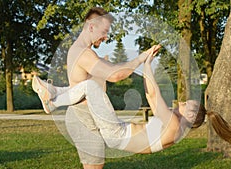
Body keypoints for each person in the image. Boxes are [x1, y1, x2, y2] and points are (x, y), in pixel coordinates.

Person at [33, 46, 231, 155]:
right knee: (88, 90)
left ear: (191, 116)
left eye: (186, 105)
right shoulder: (176, 129)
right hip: (117, 133)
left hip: (117, 134)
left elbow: (153, 95)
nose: (181, 103)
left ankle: (52, 99)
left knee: (91, 87)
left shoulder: (173, 125)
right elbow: (152, 96)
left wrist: (148, 64)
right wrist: (145, 65)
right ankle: (53, 94)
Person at [33, 7, 162, 169]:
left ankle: (54, 94)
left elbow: (115, 67)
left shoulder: (85, 52)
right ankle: (53, 99)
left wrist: (142, 56)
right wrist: (141, 59)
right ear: (91, 26)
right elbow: (115, 75)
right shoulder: (83, 54)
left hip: (90, 116)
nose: (106, 37)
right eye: (104, 31)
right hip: (84, 118)